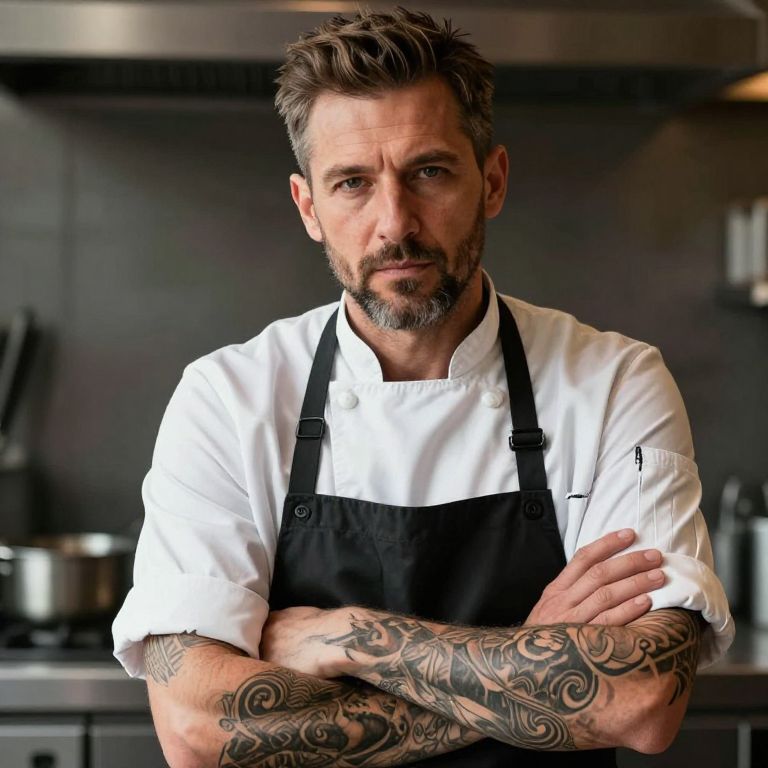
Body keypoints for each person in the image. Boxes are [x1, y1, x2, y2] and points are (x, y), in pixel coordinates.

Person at [112, 8, 733, 767]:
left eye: (429, 171)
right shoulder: (227, 398)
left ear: (492, 181)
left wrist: (338, 637)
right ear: (309, 207)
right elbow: (193, 729)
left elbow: (641, 699)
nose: (394, 224)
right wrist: (532, 661)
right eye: (352, 184)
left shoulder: (611, 382)